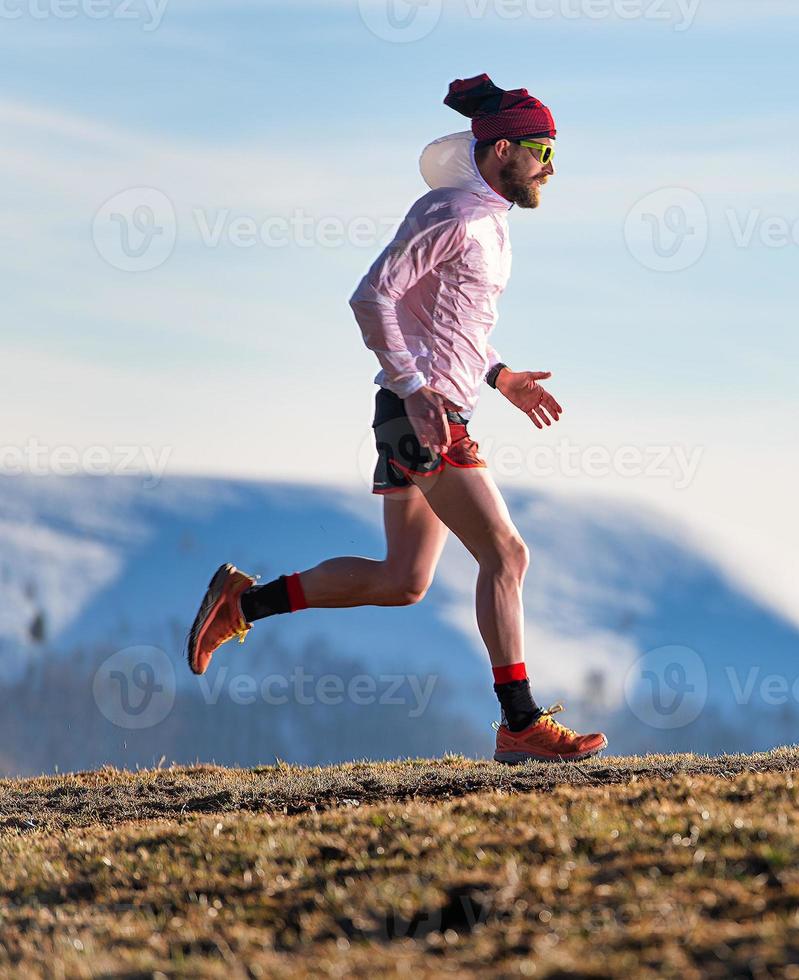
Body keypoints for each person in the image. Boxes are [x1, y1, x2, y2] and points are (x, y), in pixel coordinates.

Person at [184, 73, 606, 764]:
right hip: (425, 415)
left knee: (403, 582)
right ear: (501, 150)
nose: (551, 166)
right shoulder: (450, 213)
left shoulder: (488, 224)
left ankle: (242, 603)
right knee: (507, 554)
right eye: (541, 149)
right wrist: (413, 388)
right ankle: (520, 724)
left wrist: (500, 376)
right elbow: (371, 298)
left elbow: (442, 320)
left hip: (428, 406)